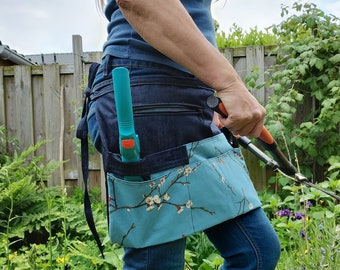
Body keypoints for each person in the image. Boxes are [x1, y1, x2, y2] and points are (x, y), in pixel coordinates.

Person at [88, 0, 281, 269]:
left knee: (256, 252)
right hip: (145, 95)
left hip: (191, 96)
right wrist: (229, 84)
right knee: (158, 262)